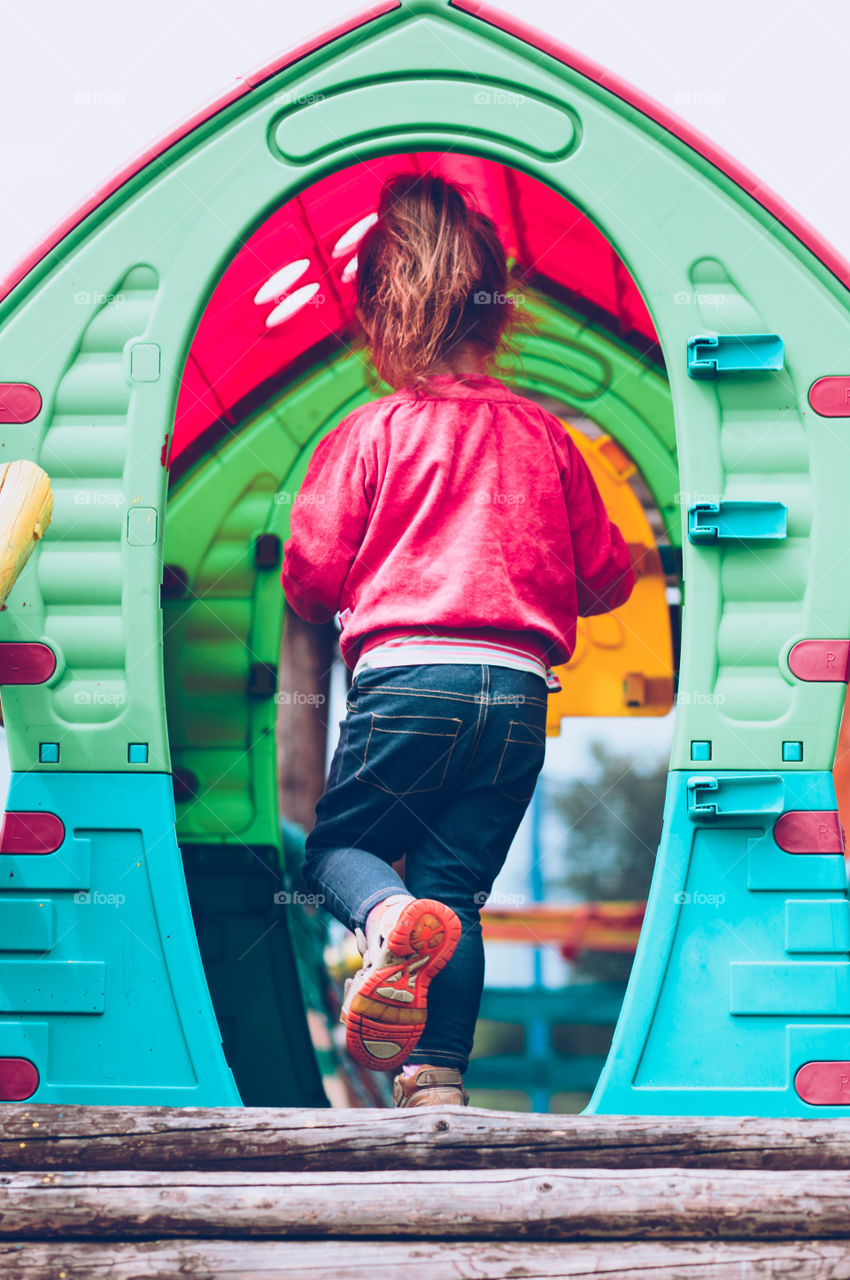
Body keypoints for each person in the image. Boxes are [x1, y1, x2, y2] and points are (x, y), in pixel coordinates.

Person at [280, 172, 635, 1108]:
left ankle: (390, 921)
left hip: (408, 682)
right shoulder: (549, 437)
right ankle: (436, 1084)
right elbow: (605, 579)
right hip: (517, 696)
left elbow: (311, 581)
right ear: (497, 314)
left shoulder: (370, 433)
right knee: (459, 893)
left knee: (334, 857)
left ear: (379, 318)